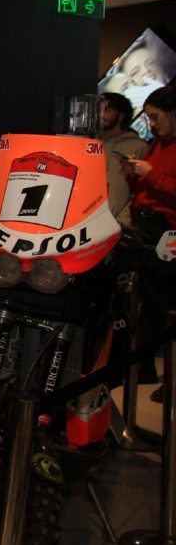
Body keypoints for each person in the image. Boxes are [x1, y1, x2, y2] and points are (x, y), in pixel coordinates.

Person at [126, 85, 176, 403]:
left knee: (166, 303)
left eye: (156, 117)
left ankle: (167, 379)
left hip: (167, 231)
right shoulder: (157, 144)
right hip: (146, 227)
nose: (152, 124)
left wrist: (151, 174)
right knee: (147, 303)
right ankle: (142, 367)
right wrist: (134, 173)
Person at [98, 91, 146, 225]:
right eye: (99, 109)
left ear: (121, 115)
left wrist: (124, 221)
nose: (100, 114)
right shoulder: (90, 143)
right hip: (86, 220)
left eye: (107, 110)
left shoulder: (138, 146)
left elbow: (142, 190)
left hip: (119, 223)